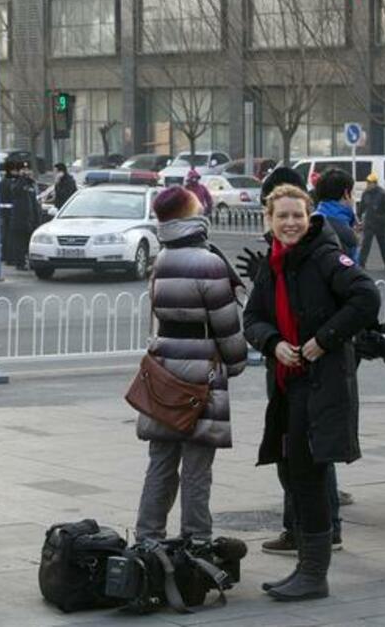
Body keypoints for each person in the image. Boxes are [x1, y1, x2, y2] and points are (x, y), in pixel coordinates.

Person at [244, 185, 379, 601]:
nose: (290, 223)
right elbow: (253, 317)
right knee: (292, 470)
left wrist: (323, 340)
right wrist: (273, 343)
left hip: (320, 383)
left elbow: (366, 296)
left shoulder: (323, 254)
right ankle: (306, 565)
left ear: (310, 217)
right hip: (288, 382)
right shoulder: (274, 261)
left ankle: (314, 573)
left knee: (308, 474)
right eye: (282, 216)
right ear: (269, 219)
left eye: (297, 216)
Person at [134, 186, 247, 542]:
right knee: (198, 468)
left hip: (165, 369)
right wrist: (237, 361)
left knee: (161, 462)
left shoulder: (161, 260)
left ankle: (147, 539)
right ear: (189, 214)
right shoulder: (209, 263)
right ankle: (196, 542)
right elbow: (227, 327)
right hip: (202, 370)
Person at [312, 169, 358, 260]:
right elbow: (351, 271)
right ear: (346, 194)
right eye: (352, 193)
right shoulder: (345, 233)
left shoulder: (313, 220)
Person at [8, 161, 41, 270]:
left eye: (27, 169)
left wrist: (37, 218)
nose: (26, 172)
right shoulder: (16, 182)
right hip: (19, 219)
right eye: (23, 170)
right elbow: (14, 192)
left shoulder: (31, 184)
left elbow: (35, 202)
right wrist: (22, 178)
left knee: (28, 243)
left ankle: (29, 262)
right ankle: (20, 263)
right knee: (19, 243)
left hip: (30, 219)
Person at [358, 172, 385, 270]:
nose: (368, 185)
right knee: (366, 244)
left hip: (380, 222)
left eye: (370, 183)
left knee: (382, 243)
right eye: (367, 182)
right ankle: (362, 263)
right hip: (369, 222)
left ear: (375, 183)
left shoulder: (382, 194)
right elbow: (362, 207)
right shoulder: (365, 193)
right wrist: (358, 217)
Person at [0, 161, 19, 265]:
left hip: (3, 211)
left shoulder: (2, 182)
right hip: (11, 212)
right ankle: (10, 257)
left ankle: (5, 255)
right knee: (11, 235)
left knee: (5, 235)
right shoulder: (12, 183)